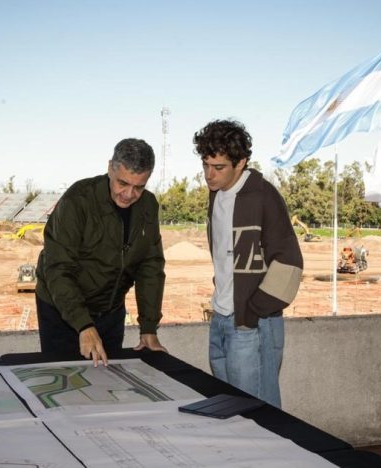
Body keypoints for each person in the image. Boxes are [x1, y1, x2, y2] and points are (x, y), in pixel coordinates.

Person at [193, 119, 303, 407]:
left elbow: (289, 262)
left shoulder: (263, 196)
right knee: (229, 409)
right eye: (205, 165)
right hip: (220, 318)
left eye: (218, 168)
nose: (209, 175)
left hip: (252, 324)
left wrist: (253, 312)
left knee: (257, 414)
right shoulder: (216, 195)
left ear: (240, 162)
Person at [35, 138, 167, 366]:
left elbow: (150, 267)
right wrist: (83, 325)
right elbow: (58, 268)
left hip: (110, 311)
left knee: (106, 384)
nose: (129, 194)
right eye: (122, 183)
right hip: (62, 311)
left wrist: (148, 328)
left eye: (139, 187)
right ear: (110, 168)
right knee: (65, 382)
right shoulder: (78, 200)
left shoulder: (148, 206)